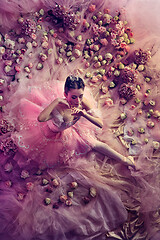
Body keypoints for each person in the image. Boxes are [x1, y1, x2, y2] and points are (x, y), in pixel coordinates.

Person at [38, 75, 135, 168]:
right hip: (53, 134)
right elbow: (40, 119)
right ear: (65, 95)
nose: (78, 101)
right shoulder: (59, 109)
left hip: (74, 129)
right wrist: (57, 101)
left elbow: (100, 124)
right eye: (73, 97)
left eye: (80, 96)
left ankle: (126, 160)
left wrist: (84, 114)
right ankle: (125, 160)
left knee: (95, 143)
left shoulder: (82, 102)